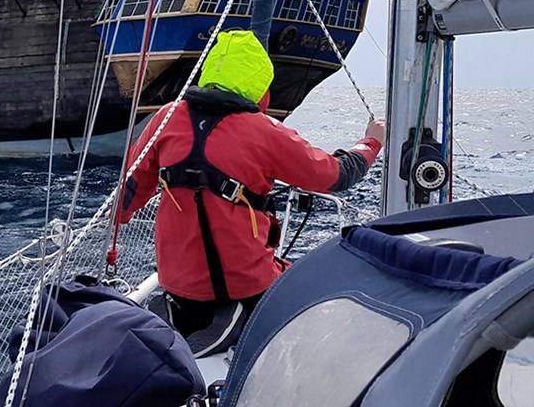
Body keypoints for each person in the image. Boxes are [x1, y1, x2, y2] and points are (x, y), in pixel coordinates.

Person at [116, 30, 383, 338]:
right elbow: (335, 176)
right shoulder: (265, 132)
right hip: (245, 287)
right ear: (260, 84)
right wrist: (371, 141)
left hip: (178, 285)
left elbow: (129, 193)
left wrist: (120, 217)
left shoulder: (165, 119)